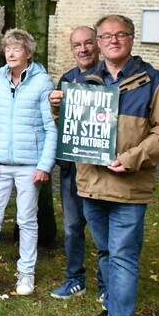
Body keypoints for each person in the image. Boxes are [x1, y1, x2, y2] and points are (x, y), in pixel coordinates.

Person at [74, 14, 159, 316]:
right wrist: (56, 108)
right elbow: (71, 131)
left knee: (122, 256)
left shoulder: (154, 82)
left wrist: (132, 158)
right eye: (106, 36)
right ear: (99, 43)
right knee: (105, 253)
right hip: (91, 184)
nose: (113, 40)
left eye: (121, 34)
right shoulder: (84, 81)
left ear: (132, 39)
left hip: (129, 187)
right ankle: (111, 311)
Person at [0, 29, 57, 300]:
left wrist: (45, 165)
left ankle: (26, 271)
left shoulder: (42, 82)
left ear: (28, 53)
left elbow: (50, 127)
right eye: (7, 49)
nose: (11, 53)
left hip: (30, 165)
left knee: (27, 221)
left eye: (17, 49)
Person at [48, 26, 105, 300]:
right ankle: (75, 279)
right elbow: (59, 124)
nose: (83, 49)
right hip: (72, 168)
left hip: (101, 170)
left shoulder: (111, 78)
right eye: (77, 45)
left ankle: (106, 286)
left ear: (98, 45)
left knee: (101, 229)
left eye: (88, 43)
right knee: (72, 226)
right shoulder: (67, 79)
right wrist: (55, 106)